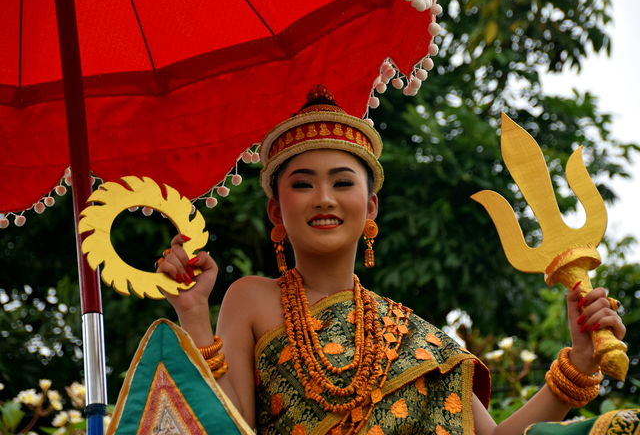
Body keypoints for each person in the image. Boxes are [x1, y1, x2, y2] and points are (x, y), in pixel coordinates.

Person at [157, 85, 626, 435]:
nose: (323, 198)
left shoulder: (411, 337)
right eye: (302, 184)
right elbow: (225, 425)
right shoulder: (251, 299)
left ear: (371, 207)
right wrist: (195, 312)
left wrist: (579, 364)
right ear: (276, 210)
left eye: (342, 183)